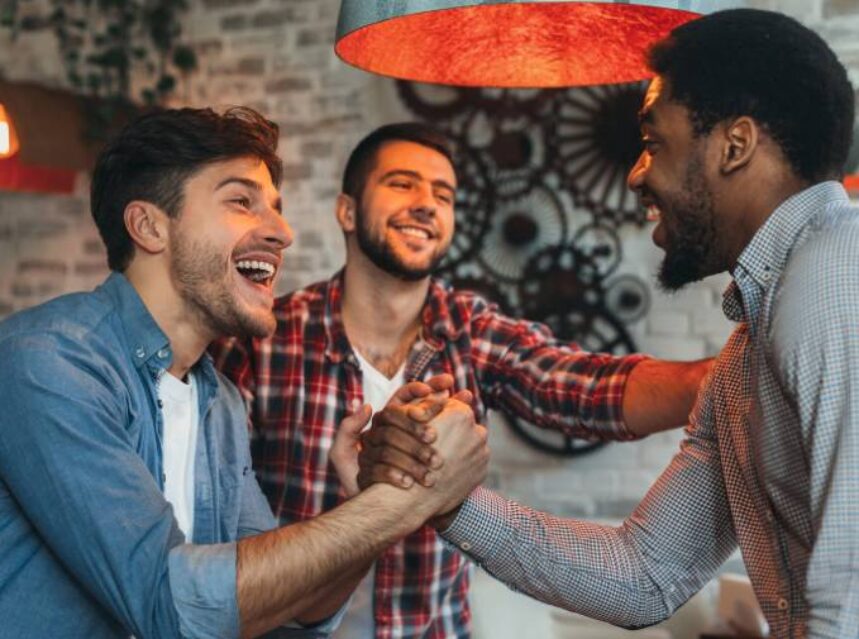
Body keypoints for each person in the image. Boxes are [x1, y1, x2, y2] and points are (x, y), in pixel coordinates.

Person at [353, 8, 859, 639]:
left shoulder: (835, 271)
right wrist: (448, 501)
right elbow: (644, 573)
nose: (636, 174)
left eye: (654, 143)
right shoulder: (746, 353)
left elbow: (850, 596)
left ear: (735, 145)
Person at [0, 106, 489, 639]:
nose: (282, 232)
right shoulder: (49, 362)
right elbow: (167, 604)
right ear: (148, 227)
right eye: (241, 201)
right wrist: (407, 500)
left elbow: (282, 616)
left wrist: (372, 496)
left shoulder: (221, 401)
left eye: (276, 210)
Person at [210, 122, 713, 637]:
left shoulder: (469, 328)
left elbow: (586, 389)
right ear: (347, 210)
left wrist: (719, 379)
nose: (427, 204)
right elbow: (218, 526)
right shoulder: (266, 340)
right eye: (402, 184)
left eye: (443, 194)